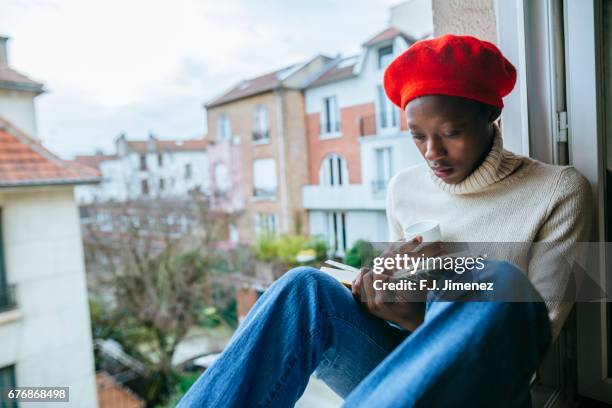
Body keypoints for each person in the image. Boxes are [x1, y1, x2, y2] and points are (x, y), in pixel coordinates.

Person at [178, 34, 591, 407]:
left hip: (490, 390)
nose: (432, 152)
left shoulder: (557, 191)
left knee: (495, 281)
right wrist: (384, 295)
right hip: (404, 374)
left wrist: (420, 313)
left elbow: (534, 339)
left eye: (451, 132)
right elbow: (402, 314)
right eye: (417, 135)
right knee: (304, 288)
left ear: (491, 116)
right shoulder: (404, 188)